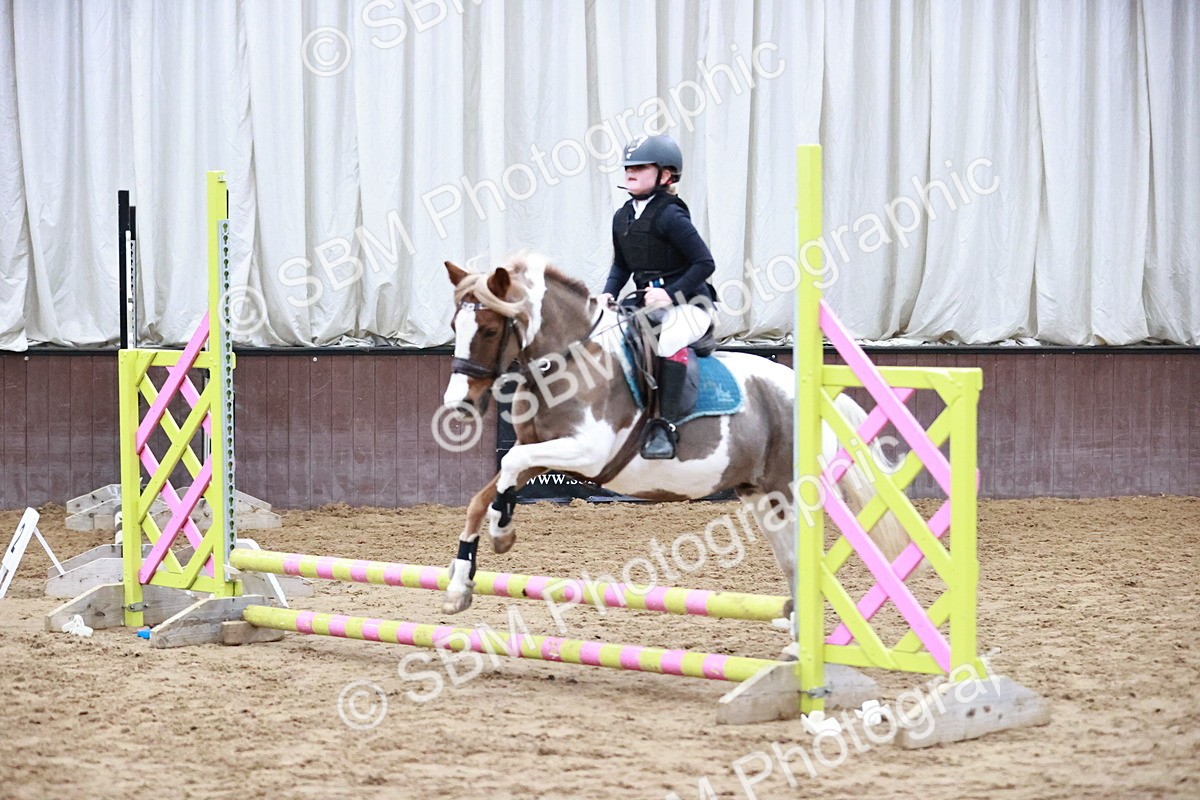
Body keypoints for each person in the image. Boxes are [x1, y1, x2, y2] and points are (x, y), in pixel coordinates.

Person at [597, 134, 717, 460]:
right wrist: (607, 294)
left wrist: (670, 293)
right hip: (645, 304)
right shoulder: (622, 217)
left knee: (666, 342)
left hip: (691, 304)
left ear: (665, 175)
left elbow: (705, 263)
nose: (630, 172)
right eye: (627, 167)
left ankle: (665, 427)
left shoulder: (670, 215)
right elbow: (621, 266)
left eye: (640, 167)